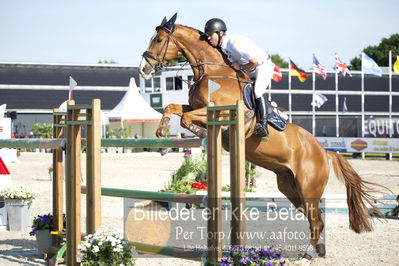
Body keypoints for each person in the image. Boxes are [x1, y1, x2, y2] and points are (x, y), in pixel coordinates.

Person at [204, 18, 274, 141]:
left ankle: (263, 126)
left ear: (220, 33)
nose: (208, 38)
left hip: (262, 67)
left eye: (210, 35)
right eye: (207, 35)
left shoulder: (235, 44)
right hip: (249, 70)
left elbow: (255, 62)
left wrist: (240, 67)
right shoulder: (223, 47)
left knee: (257, 91)